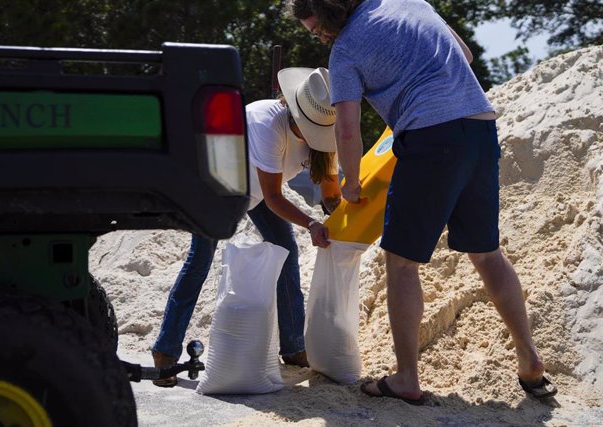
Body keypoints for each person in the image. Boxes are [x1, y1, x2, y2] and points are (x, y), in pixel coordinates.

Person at [286, 0, 557, 404]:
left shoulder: (344, 50)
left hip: (430, 138)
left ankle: (406, 378)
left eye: (317, 28)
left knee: (401, 262)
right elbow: (463, 55)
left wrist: (351, 182)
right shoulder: (411, 2)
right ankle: (530, 359)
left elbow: (347, 128)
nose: (321, 35)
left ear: (328, 12)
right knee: (487, 253)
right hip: (480, 130)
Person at [151, 67, 342, 386]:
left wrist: (343, 217)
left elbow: (330, 188)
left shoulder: (322, 134)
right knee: (199, 262)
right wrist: (311, 224)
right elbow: (273, 196)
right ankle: (165, 354)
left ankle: (293, 346)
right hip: (216, 186)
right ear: (296, 112)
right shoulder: (268, 123)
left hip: (256, 191)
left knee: (286, 251)